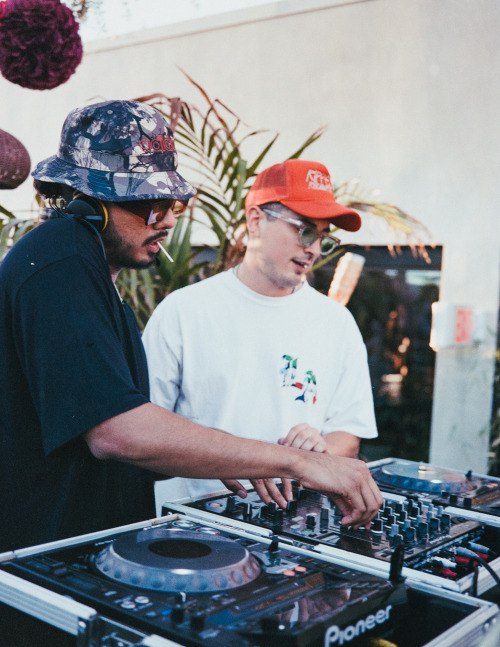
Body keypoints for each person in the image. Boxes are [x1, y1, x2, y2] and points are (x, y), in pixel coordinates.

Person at [0, 100, 383, 557]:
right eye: (149, 204)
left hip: (82, 551)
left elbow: (114, 442)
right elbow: (116, 433)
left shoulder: (86, 269)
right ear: (91, 200)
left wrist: (227, 457)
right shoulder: (62, 263)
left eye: (173, 204)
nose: (167, 219)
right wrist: (297, 462)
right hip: (48, 561)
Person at [142, 158, 378, 506]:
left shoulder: (337, 323)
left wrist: (319, 450)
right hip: (191, 530)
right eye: (305, 230)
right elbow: (145, 432)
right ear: (255, 220)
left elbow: (350, 431)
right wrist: (225, 454)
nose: (312, 248)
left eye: (323, 238)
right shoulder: (183, 311)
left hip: (296, 523)